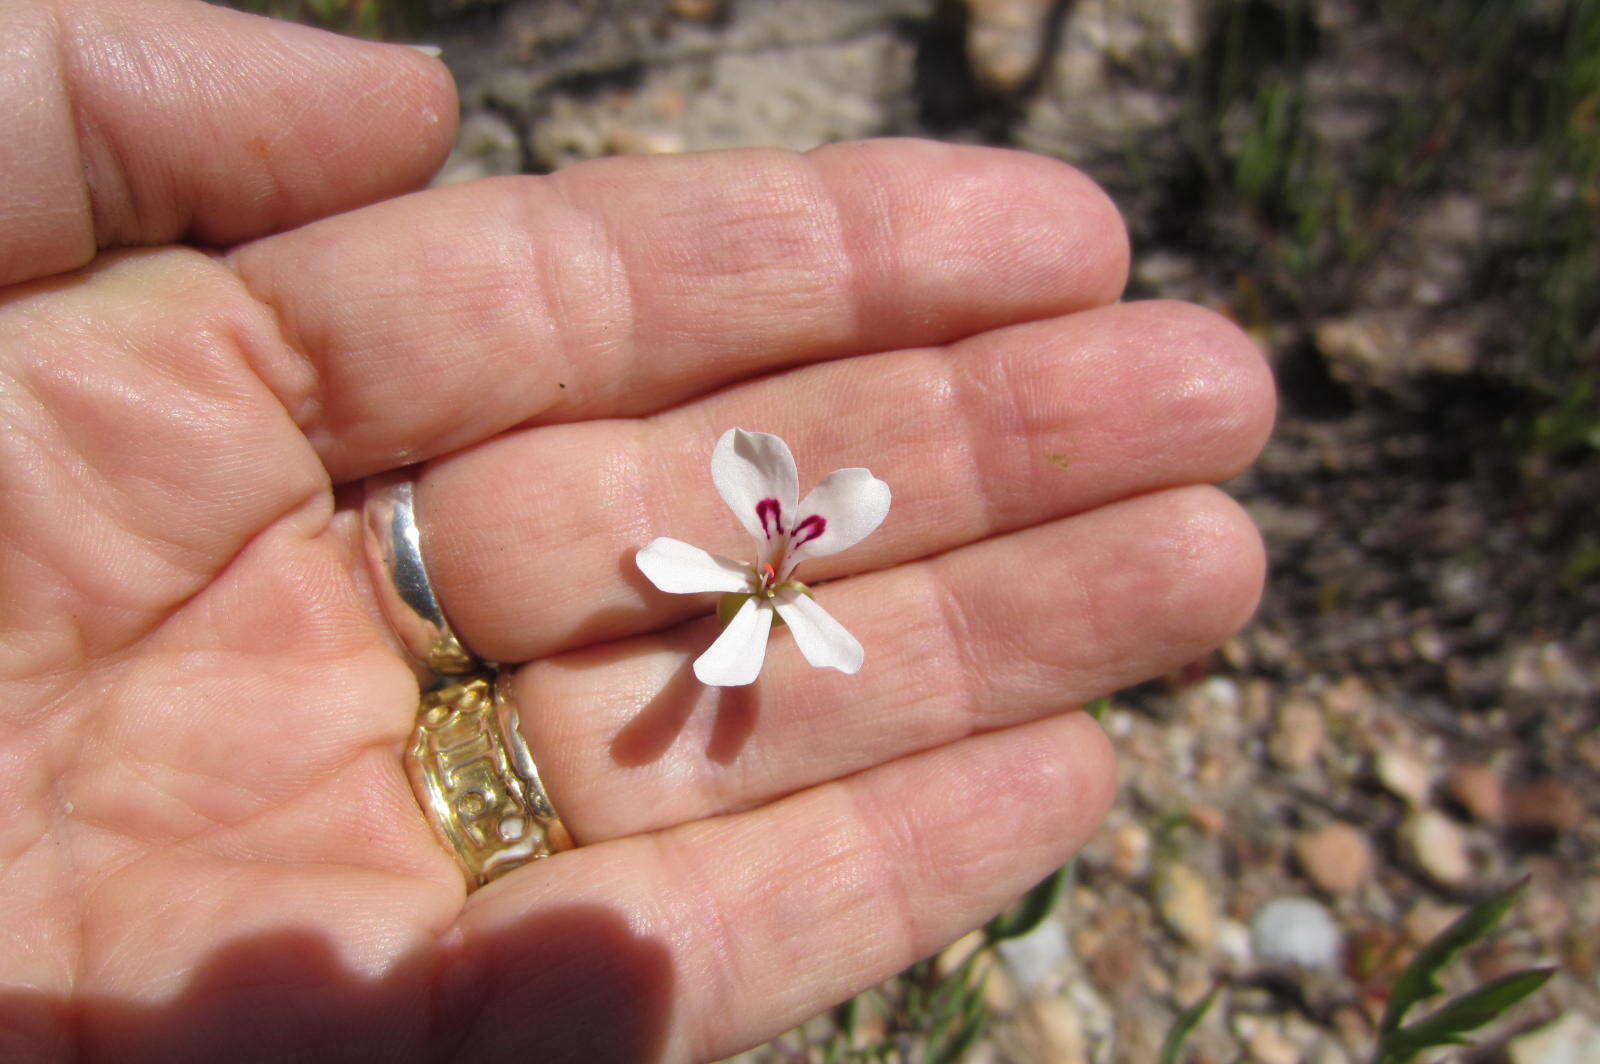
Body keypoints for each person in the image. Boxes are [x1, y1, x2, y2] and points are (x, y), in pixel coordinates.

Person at [0, 0, 1273, 1060]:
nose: (783, 557)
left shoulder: (788, 580)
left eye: (786, 554)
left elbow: (785, 583)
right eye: (778, 554)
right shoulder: (743, 571)